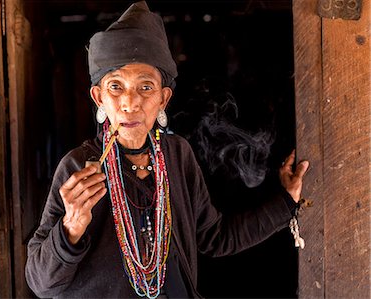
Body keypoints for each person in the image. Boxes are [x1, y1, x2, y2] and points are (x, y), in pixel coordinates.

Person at [25, 2, 310, 298]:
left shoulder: (177, 155)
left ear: (163, 99)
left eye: (146, 87)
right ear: (98, 98)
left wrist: (285, 201)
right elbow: (42, 284)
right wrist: (70, 227)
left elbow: (216, 236)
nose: (130, 103)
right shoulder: (78, 166)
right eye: (116, 87)